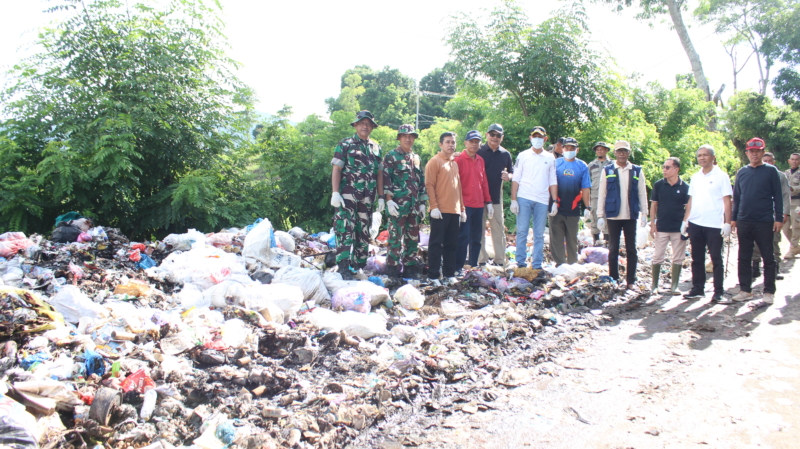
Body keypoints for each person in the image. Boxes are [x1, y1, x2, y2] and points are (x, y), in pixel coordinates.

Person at [331, 110, 384, 280]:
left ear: (372, 127)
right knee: (345, 229)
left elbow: (379, 174)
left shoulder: (376, 148)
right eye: (361, 123)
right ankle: (344, 266)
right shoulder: (345, 144)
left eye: (368, 124)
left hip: (367, 199)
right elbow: (337, 169)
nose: (365, 126)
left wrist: (381, 196)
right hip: (347, 197)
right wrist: (335, 192)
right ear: (355, 125)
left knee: (363, 231)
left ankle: (358, 265)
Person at [730, 137, 784, 305]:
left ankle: (768, 291)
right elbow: (737, 197)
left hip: (764, 220)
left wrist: (779, 218)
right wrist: (733, 218)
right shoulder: (742, 172)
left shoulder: (770, 171)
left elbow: (778, 196)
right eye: (751, 151)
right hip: (744, 220)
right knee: (744, 256)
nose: (754, 154)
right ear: (747, 153)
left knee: (768, 256)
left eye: (757, 151)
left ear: (762, 152)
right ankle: (745, 289)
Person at [681, 145, 732, 302]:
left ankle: (718, 291)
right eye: (699, 156)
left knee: (716, 258)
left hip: (714, 224)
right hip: (696, 222)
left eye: (705, 155)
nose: (702, 158)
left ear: (713, 157)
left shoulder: (721, 176)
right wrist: (685, 220)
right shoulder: (696, 177)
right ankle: (698, 288)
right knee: (697, 258)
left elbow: (727, 201)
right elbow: (691, 200)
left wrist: (727, 223)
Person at [596, 140, 648, 289]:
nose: (621, 154)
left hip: (630, 215)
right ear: (615, 153)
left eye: (624, 151)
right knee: (613, 248)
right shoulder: (608, 170)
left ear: (628, 153)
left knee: (631, 248)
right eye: (619, 151)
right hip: (613, 215)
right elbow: (602, 193)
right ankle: (614, 277)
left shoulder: (636, 171)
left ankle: (631, 280)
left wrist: (644, 212)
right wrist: (600, 215)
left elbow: (642, 192)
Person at [382, 124, 428, 279]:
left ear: (414, 138)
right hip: (397, 205)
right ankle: (393, 270)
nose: (408, 139)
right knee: (395, 238)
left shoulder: (416, 158)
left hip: (413, 207)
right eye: (404, 136)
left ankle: (409, 267)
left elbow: (421, 181)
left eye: (411, 136)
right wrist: (388, 200)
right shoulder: (391, 156)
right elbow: (385, 179)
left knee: (412, 238)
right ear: (399, 137)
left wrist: (422, 202)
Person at [510, 126, 558, 269]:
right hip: (524, 197)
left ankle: (537, 264)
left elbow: (553, 180)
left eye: (540, 137)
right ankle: (521, 263)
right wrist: (513, 199)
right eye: (535, 137)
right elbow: (516, 178)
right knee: (522, 231)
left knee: (539, 234)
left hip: (542, 200)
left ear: (545, 139)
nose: (537, 140)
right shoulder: (523, 155)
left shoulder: (550, 157)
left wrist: (554, 201)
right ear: (531, 138)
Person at [425, 132, 466, 280]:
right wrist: (433, 206)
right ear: (441, 144)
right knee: (436, 244)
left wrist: (462, 209)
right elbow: (429, 185)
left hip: (454, 210)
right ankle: (433, 276)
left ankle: (449, 274)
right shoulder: (435, 162)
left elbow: (458, 187)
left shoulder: (454, 163)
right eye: (447, 142)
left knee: (451, 244)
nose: (451, 145)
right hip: (439, 211)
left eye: (453, 142)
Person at [649, 157, 689, 294]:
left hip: (678, 228)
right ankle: (654, 285)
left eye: (667, 167)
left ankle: (674, 286)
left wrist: (685, 224)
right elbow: (654, 205)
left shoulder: (685, 187)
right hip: (662, 227)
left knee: (678, 256)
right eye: (663, 167)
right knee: (658, 256)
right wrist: (652, 224)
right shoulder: (659, 185)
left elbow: (688, 208)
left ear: (676, 169)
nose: (664, 170)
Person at [549, 137, 591, 265]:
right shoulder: (556, 163)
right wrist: (553, 202)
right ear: (562, 149)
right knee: (556, 238)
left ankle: (572, 264)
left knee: (572, 238)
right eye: (566, 148)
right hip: (557, 206)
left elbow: (585, 188)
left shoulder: (582, 166)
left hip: (573, 207)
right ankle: (559, 264)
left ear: (576, 150)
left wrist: (587, 207)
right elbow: (550, 183)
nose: (569, 150)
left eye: (572, 148)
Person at [455, 130, 492, 271]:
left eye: (477, 142)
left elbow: (484, 183)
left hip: (478, 204)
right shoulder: (458, 159)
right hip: (464, 205)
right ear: (465, 143)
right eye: (471, 141)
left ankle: (474, 264)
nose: (474, 144)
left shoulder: (480, 160)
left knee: (477, 237)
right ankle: (458, 266)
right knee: (463, 236)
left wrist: (488, 201)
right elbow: (454, 184)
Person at [477, 124, 514, 267]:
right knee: (478, 229)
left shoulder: (505, 154)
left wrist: (509, 176)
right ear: (487, 135)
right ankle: (481, 259)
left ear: (502, 138)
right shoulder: (478, 151)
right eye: (492, 134)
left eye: (498, 135)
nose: (495, 138)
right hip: (478, 198)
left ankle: (500, 260)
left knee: (498, 229)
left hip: (496, 198)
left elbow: (512, 172)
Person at [752, 152, 790, 282]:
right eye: (765, 160)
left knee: (774, 241)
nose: (767, 162)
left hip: (774, 213)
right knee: (755, 242)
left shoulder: (780, 176)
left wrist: (784, 213)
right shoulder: (754, 173)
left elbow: (785, 195)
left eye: (770, 160)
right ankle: (755, 266)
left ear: (774, 162)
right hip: (757, 214)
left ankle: (776, 268)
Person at [587, 142, 614, 243]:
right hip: (595, 195)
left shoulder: (612, 164)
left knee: (608, 217)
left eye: (602, 149)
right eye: (598, 150)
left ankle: (607, 241)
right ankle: (596, 241)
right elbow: (586, 180)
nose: (599, 151)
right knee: (594, 217)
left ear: (606, 150)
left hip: (609, 195)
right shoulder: (591, 165)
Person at [784, 152, 800, 258]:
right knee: (785, 228)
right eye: (792, 159)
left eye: (796, 159)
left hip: (797, 202)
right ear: (789, 161)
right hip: (786, 202)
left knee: (796, 227)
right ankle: (796, 246)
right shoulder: (785, 173)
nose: (794, 161)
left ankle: (793, 249)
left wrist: (793, 188)